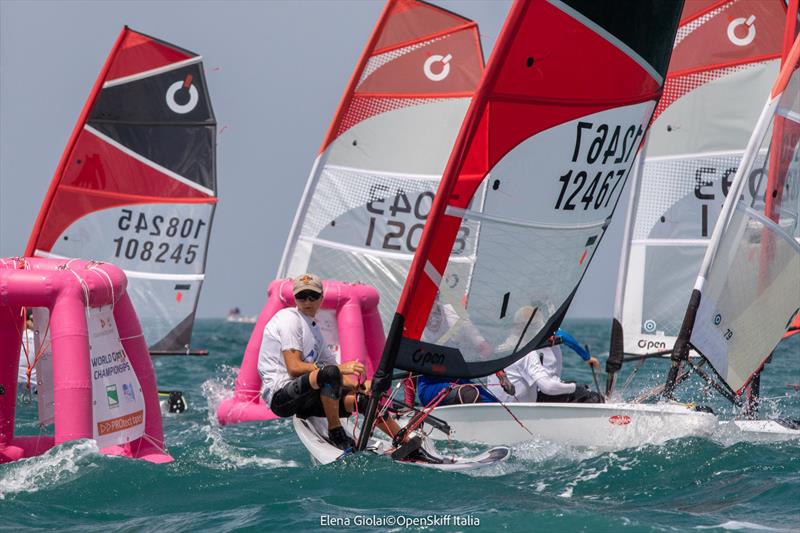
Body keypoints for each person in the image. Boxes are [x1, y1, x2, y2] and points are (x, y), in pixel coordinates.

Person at [258, 273, 409, 451]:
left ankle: (404, 440)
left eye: (313, 296)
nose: (307, 301)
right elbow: (294, 368)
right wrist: (338, 369)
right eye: (301, 296)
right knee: (330, 372)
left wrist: (361, 386)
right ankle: (336, 431)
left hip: (307, 397)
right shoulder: (289, 319)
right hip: (281, 397)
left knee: (364, 400)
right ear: (295, 298)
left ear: (321, 299)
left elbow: (336, 375)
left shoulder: (315, 331)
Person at [487, 306, 603, 404]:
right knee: (592, 397)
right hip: (528, 407)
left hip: (497, 406)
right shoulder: (527, 353)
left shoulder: (499, 350)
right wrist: (575, 387)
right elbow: (548, 387)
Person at [415, 295, 497, 406]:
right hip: (430, 385)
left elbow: (484, 348)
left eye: (433, 298)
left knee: (494, 404)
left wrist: (501, 375)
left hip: (459, 380)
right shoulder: (414, 321)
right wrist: (409, 404)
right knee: (469, 394)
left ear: (438, 298)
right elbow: (409, 367)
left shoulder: (453, 314)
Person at [17, 311, 36, 398]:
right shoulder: (40, 337)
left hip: (17, 383)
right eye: (32, 320)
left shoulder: (16, 336)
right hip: (34, 385)